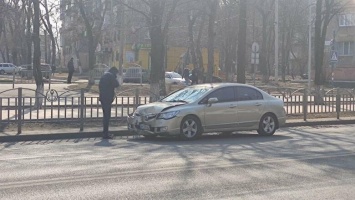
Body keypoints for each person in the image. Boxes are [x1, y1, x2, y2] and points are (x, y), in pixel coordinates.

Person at [99, 67, 120, 139]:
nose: (116, 75)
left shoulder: (104, 76)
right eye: (116, 73)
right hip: (107, 99)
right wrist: (115, 77)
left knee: (105, 116)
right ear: (114, 72)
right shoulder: (110, 76)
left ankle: (105, 133)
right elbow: (117, 84)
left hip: (103, 98)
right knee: (107, 117)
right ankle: (105, 134)